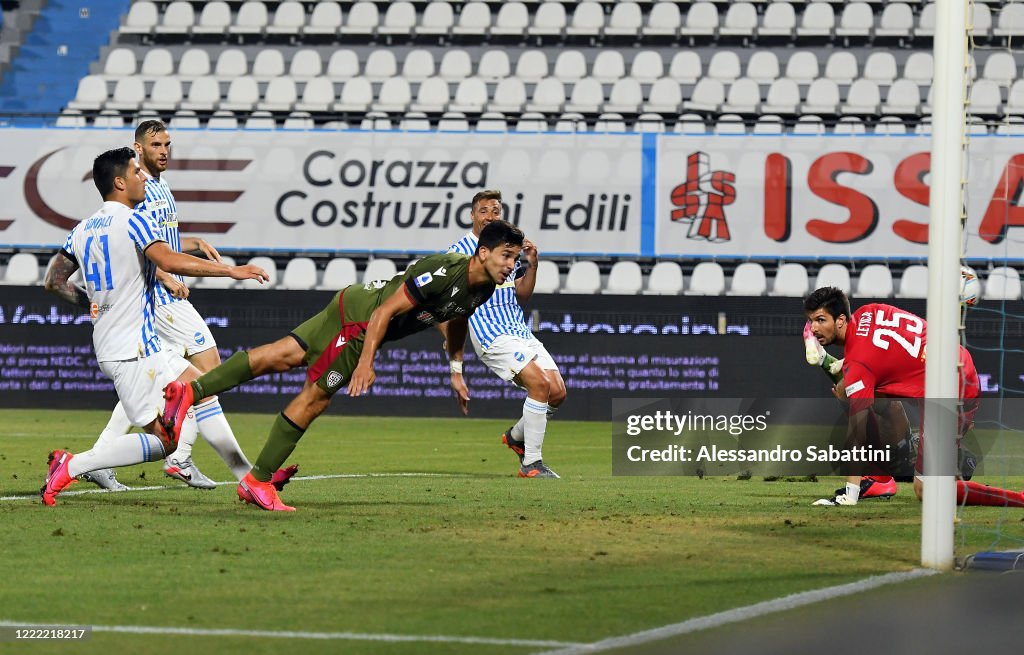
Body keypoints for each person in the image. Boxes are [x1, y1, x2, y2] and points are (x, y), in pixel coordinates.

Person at [160, 220, 526, 511]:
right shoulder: (446, 271)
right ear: (482, 252)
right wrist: (366, 361)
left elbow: (457, 319)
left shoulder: (483, 288)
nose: (511, 266)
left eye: (515, 259)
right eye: (506, 256)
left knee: (279, 355)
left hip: (352, 303)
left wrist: (456, 369)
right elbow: (385, 312)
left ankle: (189, 391)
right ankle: (258, 481)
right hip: (360, 325)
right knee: (316, 399)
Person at [40, 147, 270, 506]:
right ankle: (73, 466)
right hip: (131, 353)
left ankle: (250, 479)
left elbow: (54, 282)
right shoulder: (134, 219)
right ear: (119, 182)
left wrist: (93, 304)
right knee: (168, 442)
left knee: (204, 389)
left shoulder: (81, 230)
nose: (142, 177)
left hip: (134, 344)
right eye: (135, 172)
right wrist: (231, 270)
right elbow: (168, 259)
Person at [80, 120, 290, 492]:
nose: (164, 150)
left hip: (158, 297)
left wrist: (190, 242)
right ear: (138, 148)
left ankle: (102, 456)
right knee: (208, 371)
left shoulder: (158, 185)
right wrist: (166, 275)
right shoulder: (137, 188)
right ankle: (182, 458)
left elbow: (161, 239)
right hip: (157, 299)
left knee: (165, 384)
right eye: (156, 144)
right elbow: (140, 250)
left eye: (168, 144)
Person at [802, 287, 1024, 507]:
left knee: (926, 490)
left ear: (840, 320)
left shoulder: (859, 362)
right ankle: (882, 478)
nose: (814, 328)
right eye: (811, 321)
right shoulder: (869, 311)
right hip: (949, 363)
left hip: (952, 389)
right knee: (852, 392)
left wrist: (850, 493)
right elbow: (876, 357)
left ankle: (1015, 496)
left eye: (821, 320)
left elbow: (857, 431)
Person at [447, 190, 564, 478]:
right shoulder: (459, 251)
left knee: (557, 393)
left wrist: (532, 264)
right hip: (490, 332)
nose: (490, 216)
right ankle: (531, 464)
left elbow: (521, 295)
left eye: (495, 210)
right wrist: (456, 366)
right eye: (484, 210)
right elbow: (452, 304)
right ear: (472, 215)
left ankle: (515, 437)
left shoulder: (507, 248)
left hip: (518, 329)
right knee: (539, 385)